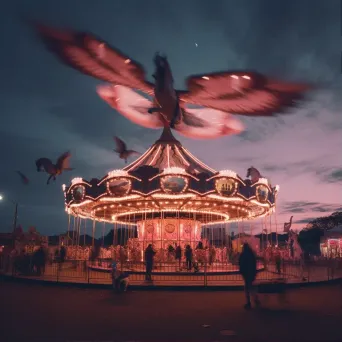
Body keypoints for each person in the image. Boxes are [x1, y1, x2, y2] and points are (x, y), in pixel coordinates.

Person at [239, 243, 260, 309]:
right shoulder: (251, 254)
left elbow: (241, 262)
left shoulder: (243, 254)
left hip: (246, 272)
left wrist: (241, 271)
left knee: (247, 288)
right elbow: (254, 262)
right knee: (251, 287)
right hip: (251, 272)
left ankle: (249, 302)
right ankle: (255, 299)